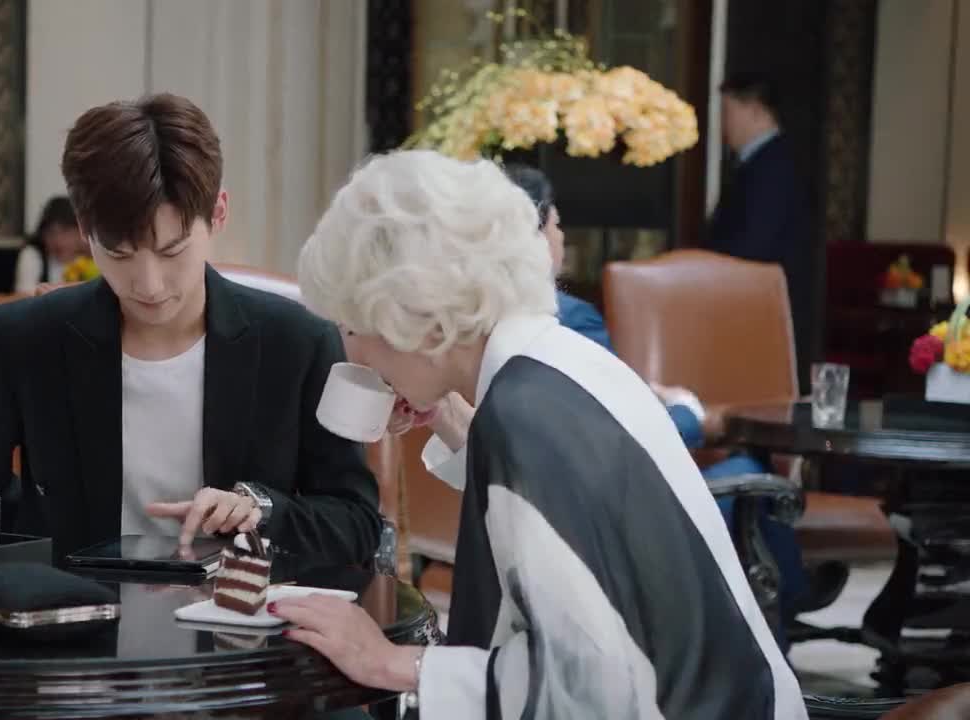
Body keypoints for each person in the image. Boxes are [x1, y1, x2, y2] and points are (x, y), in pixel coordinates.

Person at [277, 150, 805, 718]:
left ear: (412, 317)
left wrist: (391, 661)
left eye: (353, 327)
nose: (352, 352)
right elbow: (562, 520)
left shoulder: (522, 418)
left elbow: (586, 686)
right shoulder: (562, 364)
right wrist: (446, 414)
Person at [0, 93, 382, 566]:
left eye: (172, 251)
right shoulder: (28, 339)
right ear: (85, 228)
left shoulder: (297, 342)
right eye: (119, 254)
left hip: (240, 609)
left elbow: (355, 522)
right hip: (74, 607)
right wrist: (41, 561)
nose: (148, 286)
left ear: (218, 213)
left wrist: (262, 510)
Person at [392, 164, 807, 650]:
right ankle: (789, 603)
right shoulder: (559, 327)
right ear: (530, 236)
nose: (562, 237)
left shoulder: (441, 340)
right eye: (556, 224)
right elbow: (603, 448)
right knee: (749, 473)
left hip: (467, 526)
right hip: (594, 544)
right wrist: (688, 413)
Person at [708, 71, 816, 388]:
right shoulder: (759, 163)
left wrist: (708, 270)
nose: (723, 124)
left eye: (728, 112)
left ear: (755, 110)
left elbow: (754, 245)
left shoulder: (774, 166)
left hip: (758, 309)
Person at [13, 196, 88, 294]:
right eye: (51, 232)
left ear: (80, 232)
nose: (58, 240)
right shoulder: (33, 255)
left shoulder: (93, 258)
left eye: (65, 231)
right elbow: (24, 297)